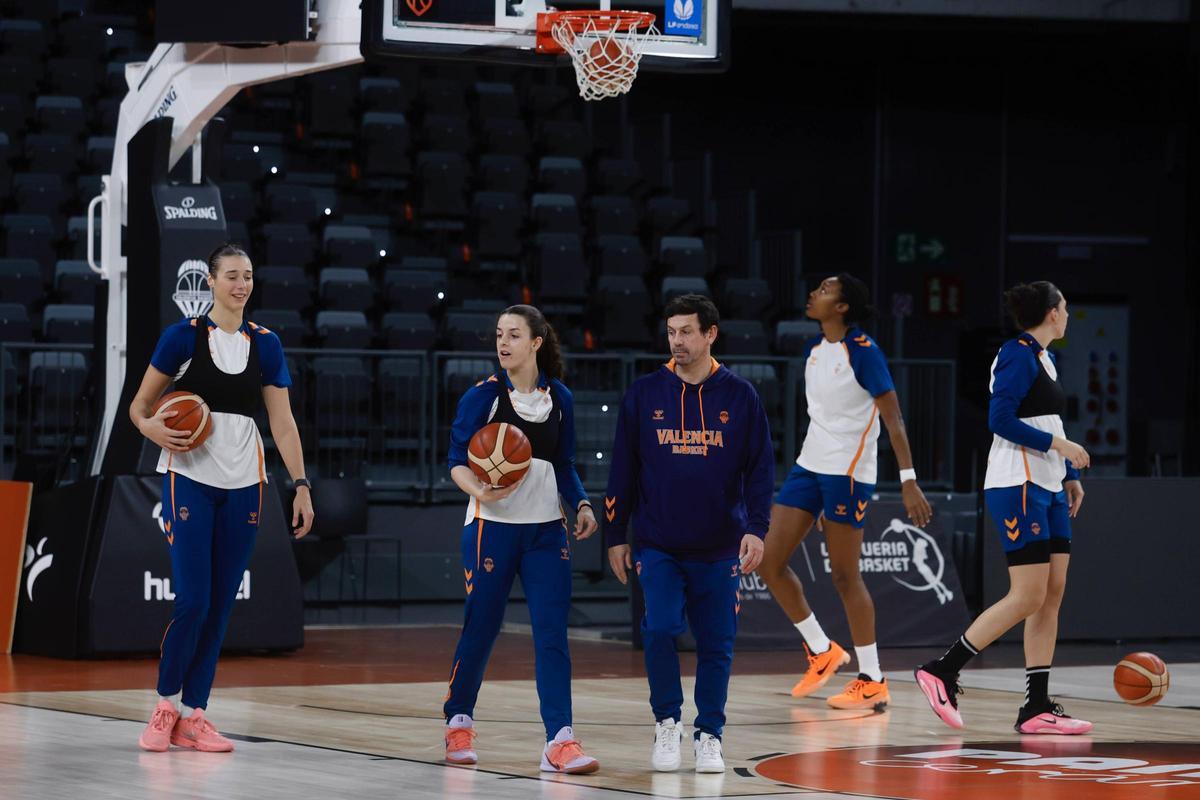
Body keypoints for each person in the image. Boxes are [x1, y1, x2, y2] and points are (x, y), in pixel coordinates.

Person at [131, 243, 314, 752]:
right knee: (193, 600)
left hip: (245, 482)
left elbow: (282, 422)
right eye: (231, 275)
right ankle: (165, 705)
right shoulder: (182, 337)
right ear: (209, 282)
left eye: (247, 275)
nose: (241, 284)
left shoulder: (266, 344)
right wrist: (150, 427)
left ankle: (195, 715)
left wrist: (301, 485)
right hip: (190, 476)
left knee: (219, 606)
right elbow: (139, 406)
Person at [604, 294, 774, 774]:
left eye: (686, 332)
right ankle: (667, 722)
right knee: (659, 628)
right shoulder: (644, 393)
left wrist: (757, 529)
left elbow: (761, 470)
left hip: (720, 546)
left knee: (717, 642)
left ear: (710, 334)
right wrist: (615, 535)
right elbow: (622, 469)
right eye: (671, 332)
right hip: (658, 543)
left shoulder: (741, 396)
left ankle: (710, 734)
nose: (676, 341)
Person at [916, 281, 1091, 734]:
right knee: (1028, 595)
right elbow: (1001, 420)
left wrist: (1068, 474)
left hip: (1049, 484)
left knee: (1051, 594)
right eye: (1065, 306)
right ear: (1052, 313)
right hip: (1018, 483)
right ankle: (942, 670)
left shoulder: (1044, 357)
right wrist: (1060, 447)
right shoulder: (1016, 353)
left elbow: (1049, 418)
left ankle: (1036, 707)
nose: (1067, 314)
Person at [757, 273, 932, 710]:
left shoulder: (865, 352)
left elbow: (894, 419)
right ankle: (822, 650)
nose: (813, 293)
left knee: (844, 576)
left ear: (842, 307)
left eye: (825, 290)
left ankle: (872, 678)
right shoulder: (814, 350)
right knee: (769, 561)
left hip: (848, 473)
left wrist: (909, 479)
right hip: (809, 466)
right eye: (816, 287)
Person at [441, 304, 600, 774]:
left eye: (513, 335)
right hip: (491, 527)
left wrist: (583, 503)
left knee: (552, 634)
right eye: (498, 335)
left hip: (546, 530)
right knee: (482, 627)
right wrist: (479, 491)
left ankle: (559, 740)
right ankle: (458, 721)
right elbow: (455, 460)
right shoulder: (484, 396)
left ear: (535, 342)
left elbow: (563, 464)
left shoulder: (560, 398)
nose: (503, 343)